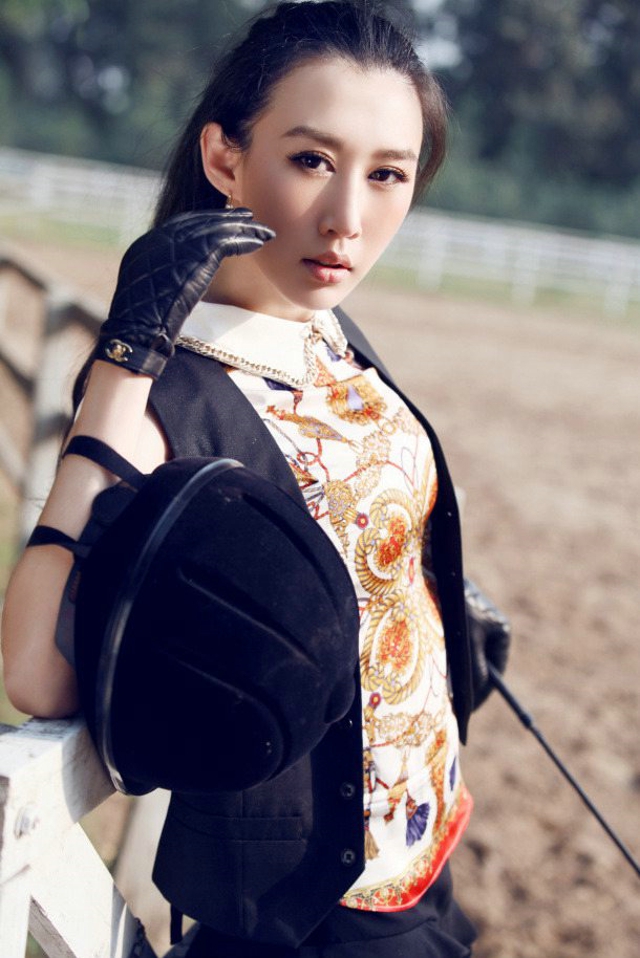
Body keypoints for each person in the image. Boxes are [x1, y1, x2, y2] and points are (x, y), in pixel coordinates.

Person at [1, 2, 507, 954]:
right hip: (314, 909)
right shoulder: (165, 391)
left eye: (387, 174)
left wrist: (432, 602)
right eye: (312, 160)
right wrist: (124, 356)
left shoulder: (327, 328)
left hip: (428, 850)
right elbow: (35, 672)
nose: (347, 219)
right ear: (224, 158)